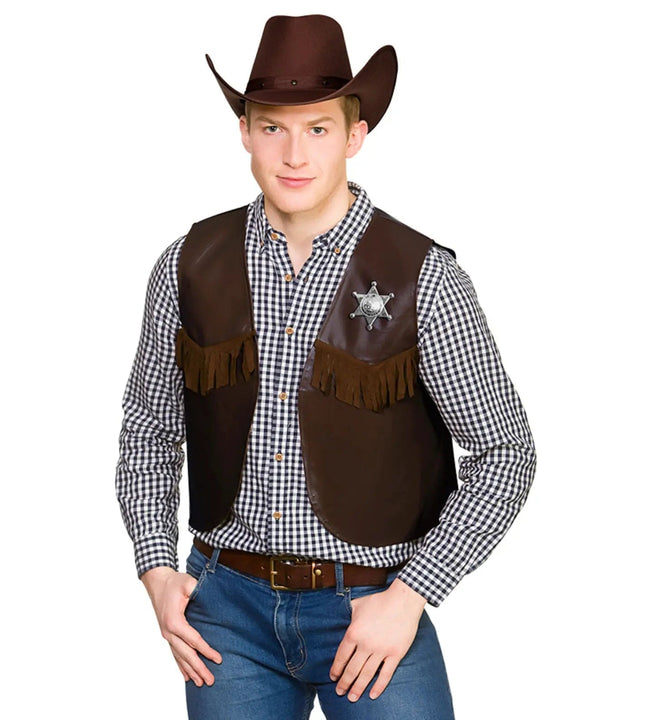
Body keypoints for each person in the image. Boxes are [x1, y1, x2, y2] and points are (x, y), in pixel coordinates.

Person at [116, 14, 536, 720]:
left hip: (372, 607)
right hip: (225, 615)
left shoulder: (425, 278)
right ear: (244, 131)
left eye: (316, 128)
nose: (293, 153)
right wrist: (158, 571)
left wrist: (411, 596)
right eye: (272, 126)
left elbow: (506, 453)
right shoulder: (187, 265)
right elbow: (149, 432)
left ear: (355, 135)